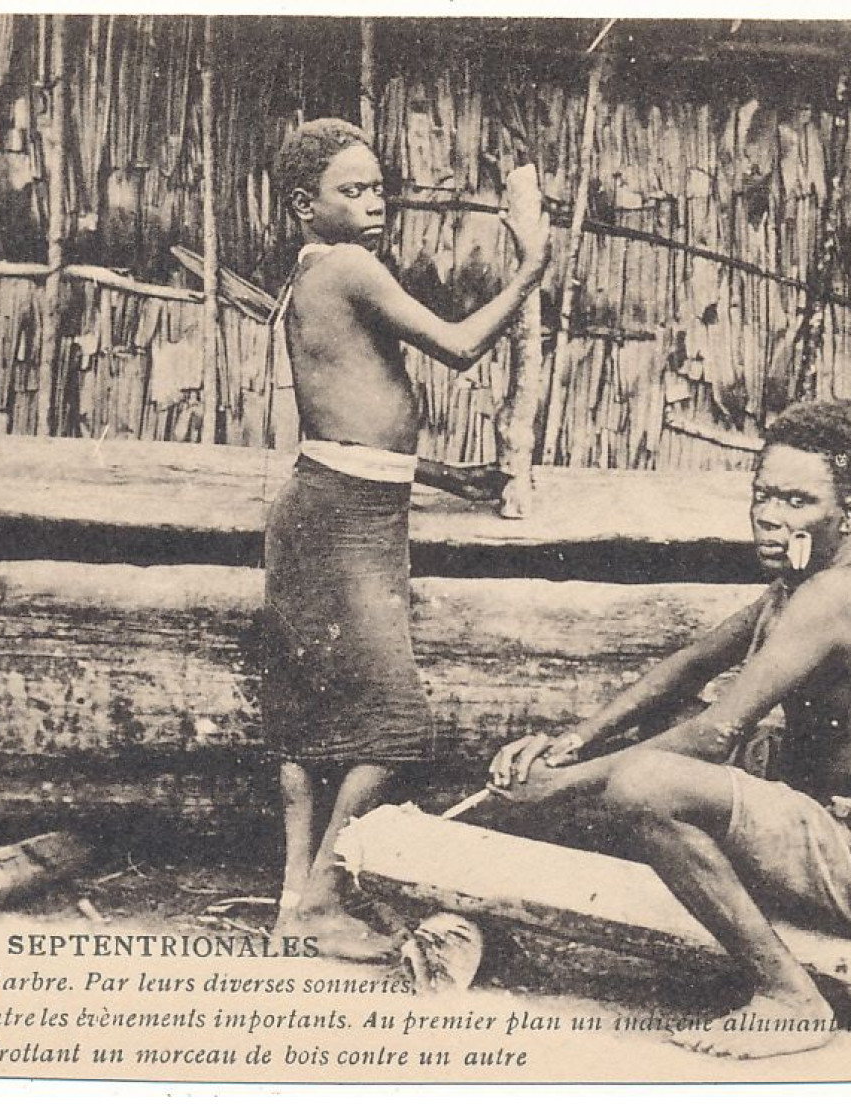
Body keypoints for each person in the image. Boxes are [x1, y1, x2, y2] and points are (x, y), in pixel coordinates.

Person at [487, 401, 851, 1058]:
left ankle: (789, 997)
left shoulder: (839, 593)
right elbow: (690, 663)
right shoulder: (802, 580)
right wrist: (572, 741)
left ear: (848, 514)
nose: (769, 514)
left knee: (645, 783)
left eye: (797, 500)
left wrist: (560, 783)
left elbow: (717, 733)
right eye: (762, 493)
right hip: (845, 830)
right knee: (660, 730)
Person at [264, 119, 549, 958]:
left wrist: (441, 476)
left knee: (307, 720)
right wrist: (530, 267)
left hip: (334, 500)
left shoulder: (313, 272)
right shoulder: (349, 265)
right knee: (394, 729)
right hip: (345, 518)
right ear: (302, 205)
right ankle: (320, 903)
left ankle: (290, 906)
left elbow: (340, 426)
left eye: (378, 188)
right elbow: (460, 347)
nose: (373, 204)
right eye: (350, 191)